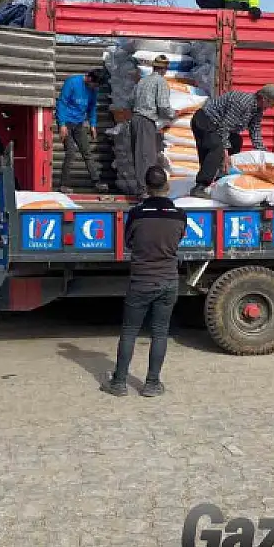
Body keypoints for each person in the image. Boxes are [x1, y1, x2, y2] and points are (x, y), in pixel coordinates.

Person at [104, 166, 187, 398]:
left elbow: (128, 241)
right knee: (160, 332)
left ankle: (119, 383)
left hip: (141, 279)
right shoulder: (179, 214)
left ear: (146, 188)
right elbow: (179, 238)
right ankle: (152, 384)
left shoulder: (137, 214)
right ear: (167, 187)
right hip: (168, 279)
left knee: (129, 331)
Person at [187, 84, 274, 199]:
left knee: (236, 141)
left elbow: (255, 131)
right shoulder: (242, 103)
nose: (271, 107)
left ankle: (220, 177)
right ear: (263, 98)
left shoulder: (258, 109)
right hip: (205, 121)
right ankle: (200, 186)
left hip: (218, 126)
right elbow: (225, 127)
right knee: (216, 148)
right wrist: (225, 153)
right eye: (271, 104)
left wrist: (263, 153)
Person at [127, 55, 176, 197]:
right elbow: (162, 106)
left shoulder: (142, 81)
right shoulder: (160, 82)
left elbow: (130, 100)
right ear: (165, 69)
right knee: (146, 156)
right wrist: (173, 114)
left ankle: (141, 187)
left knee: (139, 155)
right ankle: (145, 191)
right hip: (146, 120)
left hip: (135, 119)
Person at [56, 68, 110, 193]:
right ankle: (63, 185)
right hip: (66, 122)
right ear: (90, 78)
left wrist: (93, 124)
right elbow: (62, 103)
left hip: (79, 123)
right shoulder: (72, 82)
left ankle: (96, 182)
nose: (95, 88)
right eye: (95, 84)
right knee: (71, 152)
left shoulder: (93, 90)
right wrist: (62, 124)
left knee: (87, 152)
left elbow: (92, 108)